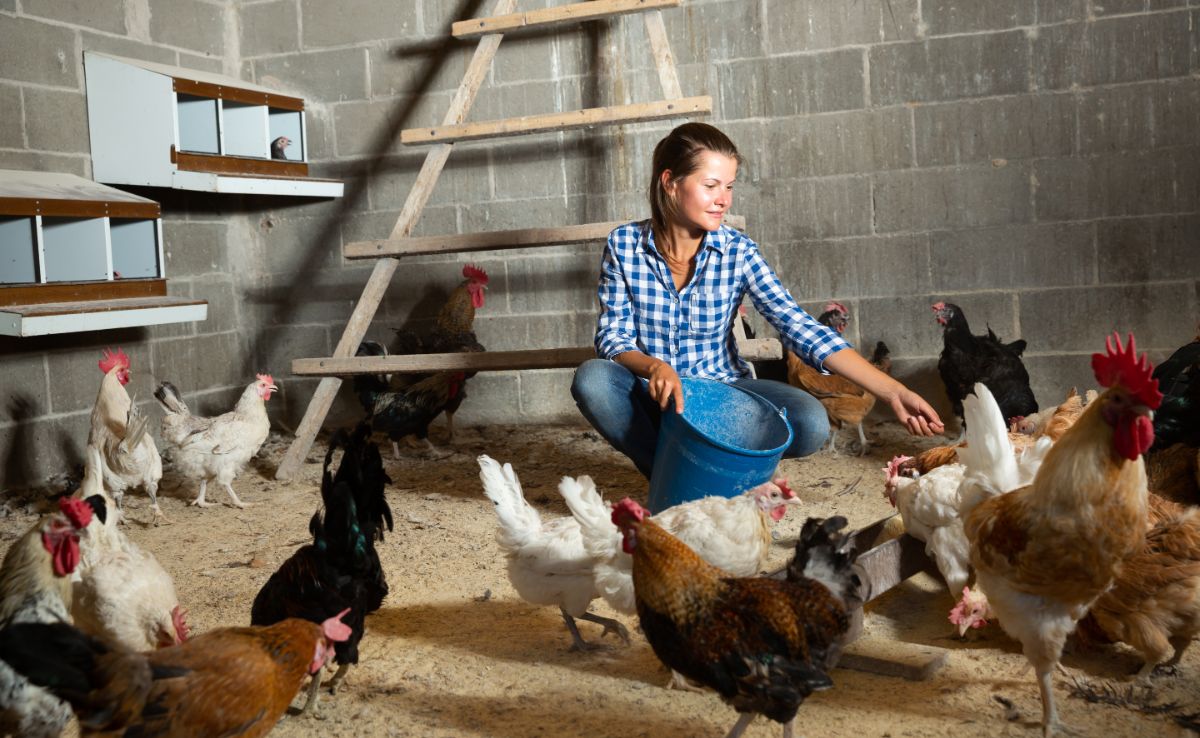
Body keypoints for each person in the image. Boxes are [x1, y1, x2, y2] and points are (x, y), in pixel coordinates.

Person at [571, 122, 944, 477]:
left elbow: (797, 326)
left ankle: (688, 467)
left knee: (810, 423)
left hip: (724, 395)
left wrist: (894, 390)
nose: (723, 200)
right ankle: (674, 474)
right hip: (654, 394)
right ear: (670, 182)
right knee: (593, 380)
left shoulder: (739, 252)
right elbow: (613, 338)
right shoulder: (624, 245)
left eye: (729, 187)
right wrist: (655, 368)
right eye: (711, 185)